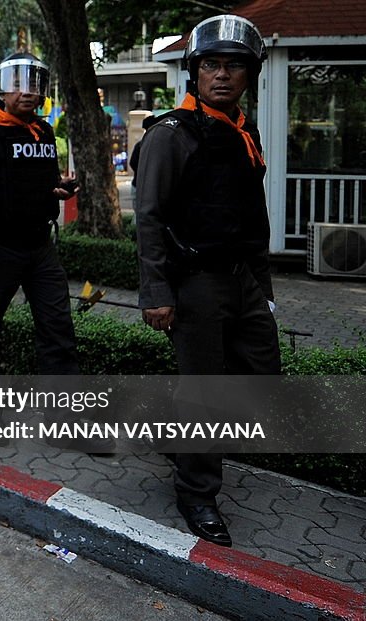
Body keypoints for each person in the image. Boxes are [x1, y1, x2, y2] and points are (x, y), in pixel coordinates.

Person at [134, 14, 278, 548]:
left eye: (234, 65)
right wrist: (155, 293)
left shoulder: (242, 131)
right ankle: (197, 492)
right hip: (194, 283)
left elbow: (251, 216)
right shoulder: (172, 134)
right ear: (194, 72)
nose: (223, 75)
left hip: (242, 278)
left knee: (262, 375)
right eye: (212, 64)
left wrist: (264, 289)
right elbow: (147, 217)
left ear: (249, 74)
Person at [0, 52, 79, 377]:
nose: (27, 91)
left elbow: (42, 179)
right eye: (17, 83)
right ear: (2, 89)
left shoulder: (44, 132)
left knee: (59, 331)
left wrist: (58, 188)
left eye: (34, 84)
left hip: (40, 248)